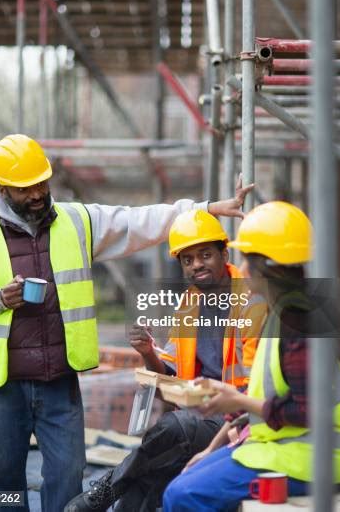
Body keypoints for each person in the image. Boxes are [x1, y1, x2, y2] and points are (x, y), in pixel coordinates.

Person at [0, 134, 252, 512]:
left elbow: (135, 221)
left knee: (68, 477)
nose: (38, 194)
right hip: (1, 386)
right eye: (26, 189)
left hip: (58, 382)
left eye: (42, 183)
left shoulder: (75, 221)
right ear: (1, 189)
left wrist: (203, 209)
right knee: (1, 482)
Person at [163, 201, 340, 511]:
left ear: (268, 266)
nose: (242, 269)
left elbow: (307, 411)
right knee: (184, 479)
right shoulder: (284, 312)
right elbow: (263, 393)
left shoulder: (297, 321)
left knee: (181, 495)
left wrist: (239, 401)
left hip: (316, 455)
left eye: (248, 259)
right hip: (292, 444)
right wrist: (212, 448)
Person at [65, 209, 267, 512]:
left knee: (174, 428)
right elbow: (168, 379)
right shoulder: (189, 306)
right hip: (200, 416)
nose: (197, 264)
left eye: (205, 255)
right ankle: (115, 496)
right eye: (188, 260)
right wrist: (147, 352)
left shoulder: (251, 303)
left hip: (238, 418)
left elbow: (250, 390)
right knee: (150, 478)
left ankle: (106, 488)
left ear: (224, 253)